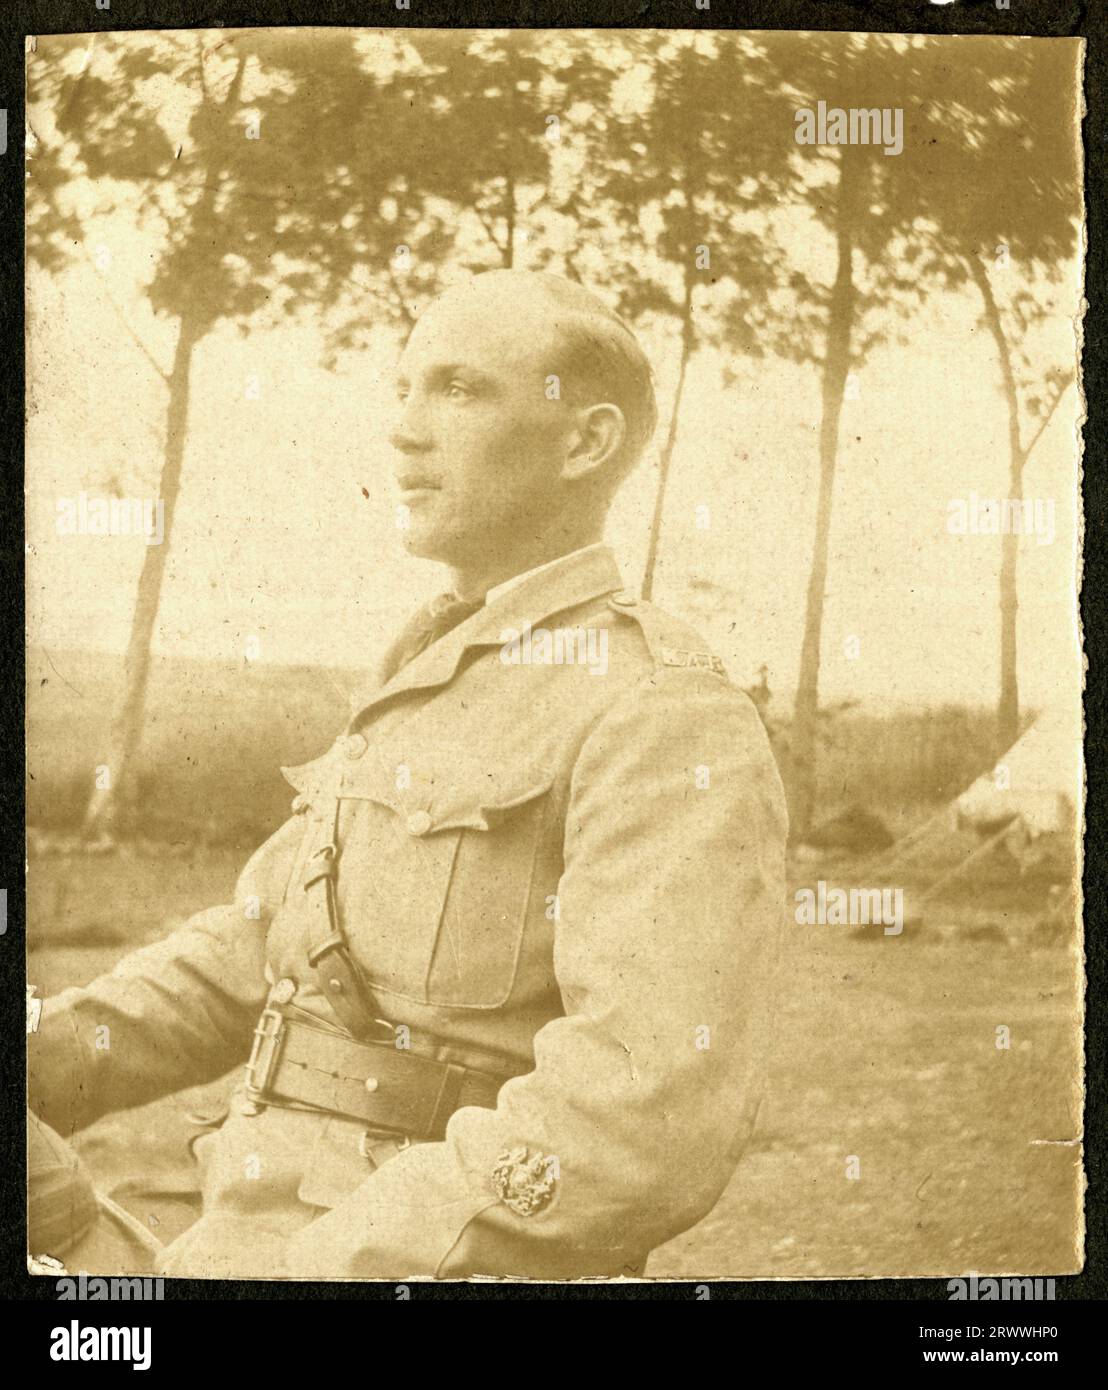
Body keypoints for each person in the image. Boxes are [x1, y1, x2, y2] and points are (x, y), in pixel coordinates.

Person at [29, 270, 788, 1280]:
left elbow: (635, 1118)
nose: (404, 430)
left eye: (461, 390)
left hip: (384, 1251)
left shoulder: (658, 708)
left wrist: (316, 1263)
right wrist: (48, 1049)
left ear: (585, 442)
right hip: (241, 1208)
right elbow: (259, 943)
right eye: (403, 388)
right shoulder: (429, 672)